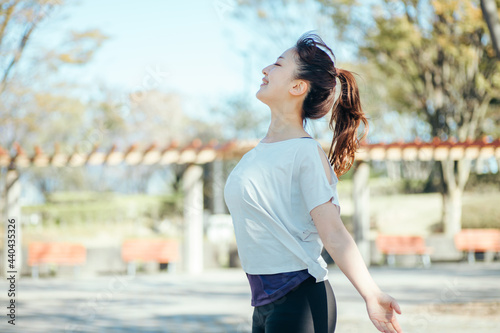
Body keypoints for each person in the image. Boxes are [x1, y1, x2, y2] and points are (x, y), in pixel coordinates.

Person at [223, 32, 403, 333]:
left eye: (277, 65)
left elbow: (333, 233)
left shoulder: (305, 152)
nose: (265, 70)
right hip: (264, 304)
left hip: (301, 302)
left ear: (297, 86)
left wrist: (371, 293)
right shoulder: (257, 154)